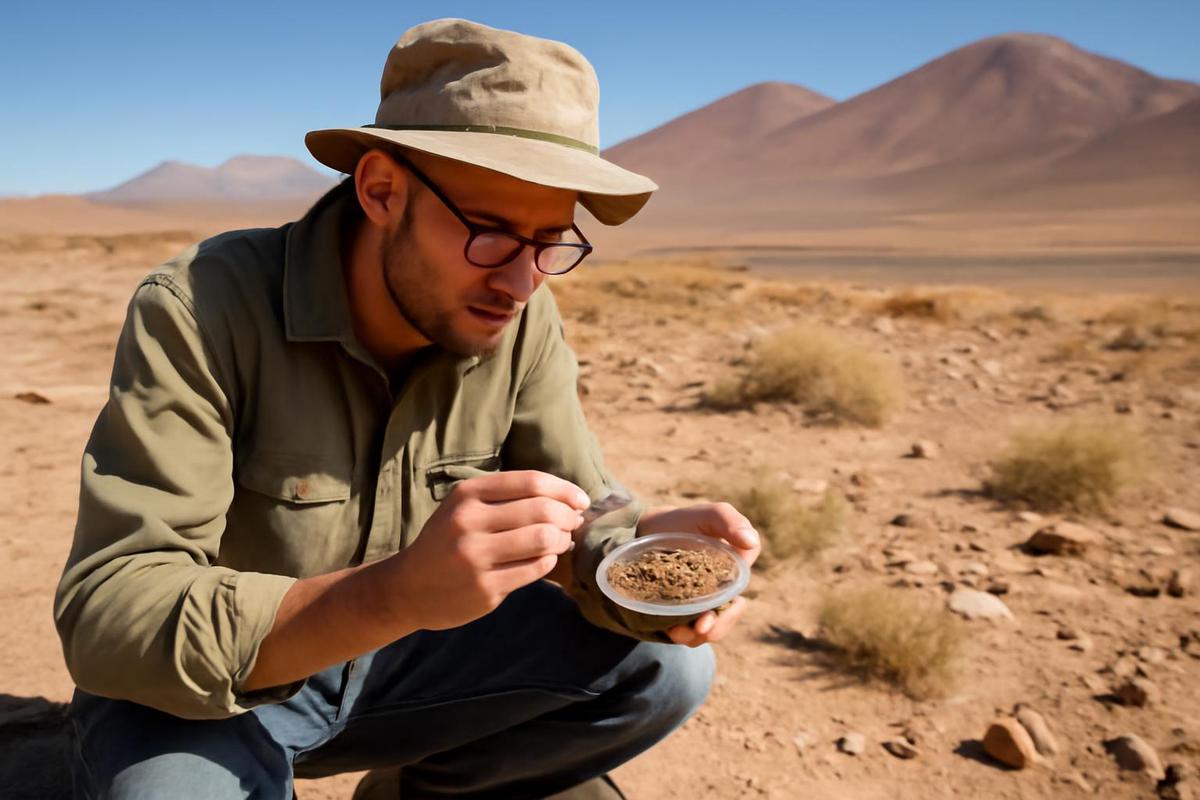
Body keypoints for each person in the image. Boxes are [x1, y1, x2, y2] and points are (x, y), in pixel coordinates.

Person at [54, 17, 760, 799]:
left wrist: (637, 552)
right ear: (382, 191)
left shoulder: (519, 320)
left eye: (549, 244)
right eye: (490, 234)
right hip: (212, 702)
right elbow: (110, 613)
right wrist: (391, 593)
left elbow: (581, 511)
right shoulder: (202, 307)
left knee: (668, 669)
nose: (522, 283)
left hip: (405, 667)